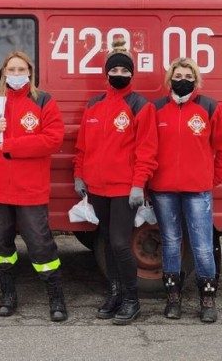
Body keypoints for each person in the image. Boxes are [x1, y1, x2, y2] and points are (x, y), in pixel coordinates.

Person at [0, 51, 67, 322]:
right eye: (11, 69)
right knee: (1, 245)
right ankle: (8, 295)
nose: (16, 74)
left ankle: (56, 296)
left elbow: (53, 139)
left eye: (21, 69)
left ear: (30, 72)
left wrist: (11, 146)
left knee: (41, 246)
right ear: (3, 73)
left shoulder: (43, 101)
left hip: (30, 190)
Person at [73, 38, 158, 325]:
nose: (119, 74)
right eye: (114, 70)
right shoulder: (94, 105)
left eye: (125, 70)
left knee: (121, 243)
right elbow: (83, 146)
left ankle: (132, 300)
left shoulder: (140, 106)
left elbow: (147, 150)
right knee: (108, 242)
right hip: (98, 188)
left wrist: (138, 184)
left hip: (125, 189)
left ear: (132, 74)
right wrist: (79, 174)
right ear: (106, 73)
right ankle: (115, 294)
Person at [149, 57, 222, 323]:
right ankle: (173, 299)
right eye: (178, 76)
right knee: (171, 244)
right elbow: (146, 149)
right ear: (169, 79)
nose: (182, 80)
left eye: (188, 76)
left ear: (196, 80)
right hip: (163, 191)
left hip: (198, 191)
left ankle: (207, 300)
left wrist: (210, 180)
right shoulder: (156, 109)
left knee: (202, 247)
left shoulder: (211, 108)